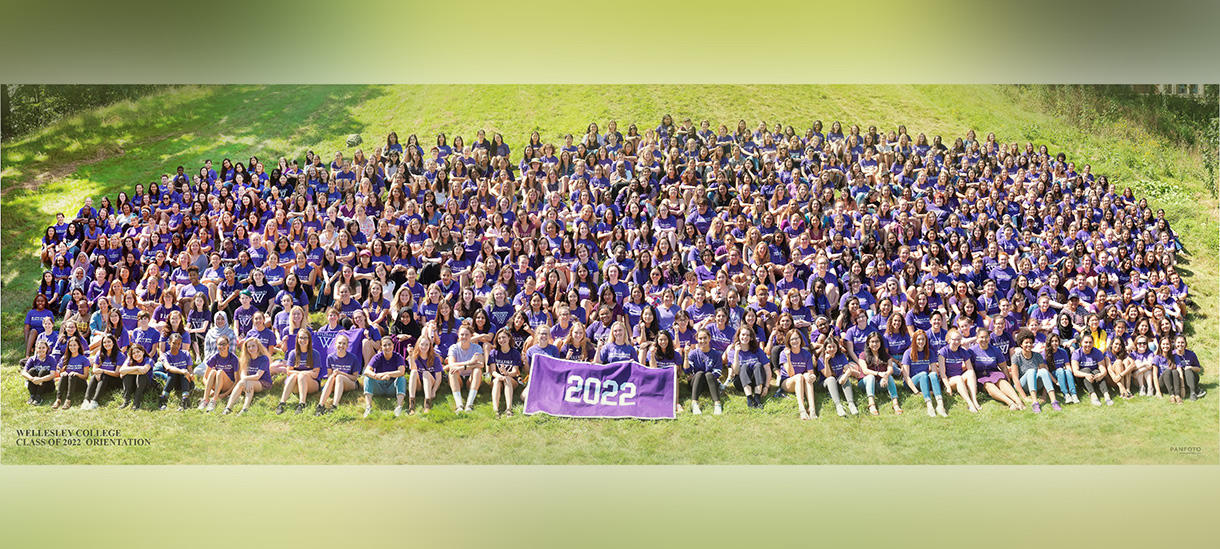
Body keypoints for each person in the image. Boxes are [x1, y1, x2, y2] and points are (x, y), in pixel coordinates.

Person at [276, 327, 324, 414]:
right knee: (294, 376)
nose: (303, 340)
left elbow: (315, 374)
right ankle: (282, 403)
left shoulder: (315, 353)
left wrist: (302, 375)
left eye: (305, 338)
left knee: (300, 376)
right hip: (296, 384)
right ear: (297, 339)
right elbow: (288, 372)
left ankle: (302, 403)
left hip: (312, 384)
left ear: (309, 340)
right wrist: (304, 373)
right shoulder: (293, 353)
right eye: (301, 337)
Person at [1011, 330, 1061, 412]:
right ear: (1021, 344)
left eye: (1031, 342)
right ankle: (1035, 403)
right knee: (1031, 371)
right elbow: (1015, 379)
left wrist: (1044, 396)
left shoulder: (1038, 355)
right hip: (1024, 385)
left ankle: (1054, 401)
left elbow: (1045, 375)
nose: (1029, 345)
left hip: (1035, 383)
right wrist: (1024, 397)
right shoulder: (1016, 357)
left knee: (1044, 371)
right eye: (1026, 343)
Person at [855, 331, 901, 415]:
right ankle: (871, 404)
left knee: (889, 376)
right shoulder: (862, 355)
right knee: (870, 377)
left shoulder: (885, 355)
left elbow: (890, 369)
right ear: (868, 343)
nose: (875, 344)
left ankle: (895, 403)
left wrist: (885, 376)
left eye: (877, 341)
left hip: (880, 384)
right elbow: (865, 371)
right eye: (872, 341)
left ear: (881, 343)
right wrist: (879, 373)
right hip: (865, 383)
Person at [902, 330, 947, 417]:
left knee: (933, 374)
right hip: (912, 383)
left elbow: (934, 372)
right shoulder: (908, 353)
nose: (921, 342)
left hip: (925, 380)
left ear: (926, 341)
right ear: (914, 340)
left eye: (923, 339)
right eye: (918, 339)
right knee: (923, 374)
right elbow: (906, 376)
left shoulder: (930, 352)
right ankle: (929, 405)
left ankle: (940, 405)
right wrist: (916, 392)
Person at [316, 333, 362, 415]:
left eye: (344, 343)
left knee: (339, 377)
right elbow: (330, 376)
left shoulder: (353, 358)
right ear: (335, 344)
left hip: (350, 383)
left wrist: (341, 373)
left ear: (347, 346)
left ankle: (334, 406)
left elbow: (355, 378)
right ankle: (320, 405)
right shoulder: (330, 357)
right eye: (339, 343)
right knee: (333, 377)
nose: (341, 345)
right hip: (336, 382)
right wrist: (334, 375)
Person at [224, 338, 272, 415]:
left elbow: (257, 376)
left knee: (247, 382)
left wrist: (245, 379)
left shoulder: (264, 359)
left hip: (264, 383)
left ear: (258, 347)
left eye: (253, 346)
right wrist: (245, 380)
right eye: (248, 347)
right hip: (249, 382)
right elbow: (242, 375)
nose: (251, 348)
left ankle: (245, 409)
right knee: (246, 382)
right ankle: (228, 408)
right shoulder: (246, 359)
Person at [363, 335, 407, 417]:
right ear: (381, 347)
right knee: (367, 378)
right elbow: (366, 371)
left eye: (389, 344)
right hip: (379, 386)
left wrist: (387, 374)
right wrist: (377, 376)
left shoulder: (398, 357)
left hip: (392, 387)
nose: (387, 347)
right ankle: (368, 407)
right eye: (384, 345)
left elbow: (401, 372)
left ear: (393, 345)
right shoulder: (377, 357)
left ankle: (399, 407)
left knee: (402, 378)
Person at [778, 330, 818, 419]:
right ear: (788, 341)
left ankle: (812, 409)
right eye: (792, 339)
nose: (795, 341)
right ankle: (802, 409)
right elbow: (791, 374)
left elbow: (810, 372)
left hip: (801, 382)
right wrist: (788, 357)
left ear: (801, 339)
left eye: (797, 338)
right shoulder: (784, 354)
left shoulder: (806, 353)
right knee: (799, 376)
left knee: (807, 376)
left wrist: (813, 376)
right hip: (787, 382)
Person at [938, 329, 980, 413]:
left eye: (958, 339)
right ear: (949, 340)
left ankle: (974, 400)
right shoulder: (943, 352)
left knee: (971, 372)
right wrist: (948, 387)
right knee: (958, 378)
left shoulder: (962, 351)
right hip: (949, 380)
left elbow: (970, 368)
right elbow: (942, 374)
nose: (956, 342)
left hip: (960, 378)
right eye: (954, 339)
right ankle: (970, 404)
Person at [684, 329, 723, 415]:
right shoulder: (693, 353)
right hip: (696, 383)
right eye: (700, 338)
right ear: (697, 339)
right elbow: (687, 370)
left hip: (710, 383)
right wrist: (686, 355)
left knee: (709, 375)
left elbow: (718, 372)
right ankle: (694, 404)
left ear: (709, 338)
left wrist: (709, 376)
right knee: (700, 373)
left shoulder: (716, 354)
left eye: (705, 338)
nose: (703, 341)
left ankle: (717, 404)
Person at [445, 325, 484, 413]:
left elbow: (481, 364)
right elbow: (451, 364)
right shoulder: (453, 347)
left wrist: (464, 367)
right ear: (458, 335)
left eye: (467, 335)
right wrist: (469, 362)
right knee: (452, 371)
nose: (464, 337)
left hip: (471, 378)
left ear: (471, 336)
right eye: (462, 334)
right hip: (458, 377)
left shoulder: (477, 348)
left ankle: (469, 405)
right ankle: (459, 405)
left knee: (478, 370)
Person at [406, 327, 445, 414]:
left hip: (431, 382)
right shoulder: (414, 356)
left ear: (430, 346)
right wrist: (411, 355)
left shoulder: (435, 358)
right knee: (413, 372)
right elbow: (413, 368)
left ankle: (427, 403)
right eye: (422, 344)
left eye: (426, 345)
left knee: (426, 373)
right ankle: (411, 405)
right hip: (419, 384)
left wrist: (434, 391)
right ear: (418, 345)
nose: (424, 347)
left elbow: (439, 377)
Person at [487, 328, 523, 417]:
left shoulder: (515, 353)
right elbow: (493, 371)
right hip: (497, 379)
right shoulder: (493, 353)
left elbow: (515, 371)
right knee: (496, 380)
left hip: (511, 380)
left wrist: (506, 373)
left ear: (509, 338)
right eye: (499, 338)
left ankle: (509, 409)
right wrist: (499, 376)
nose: (501, 340)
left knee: (507, 379)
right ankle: (496, 410)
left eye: (504, 337)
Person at [819, 336, 858, 417]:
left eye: (834, 346)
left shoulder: (841, 356)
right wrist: (826, 361)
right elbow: (828, 375)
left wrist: (845, 376)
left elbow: (847, 369)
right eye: (829, 347)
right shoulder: (821, 359)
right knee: (831, 379)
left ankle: (851, 403)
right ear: (825, 348)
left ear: (837, 347)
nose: (832, 349)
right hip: (826, 383)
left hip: (838, 381)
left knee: (845, 376)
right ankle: (838, 405)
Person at [1071, 333, 1113, 406]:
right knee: (1086, 370)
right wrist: (1086, 375)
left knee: (1097, 371)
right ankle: (1093, 395)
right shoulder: (1077, 353)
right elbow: (1075, 372)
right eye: (1086, 342)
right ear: (1081, 343)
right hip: (1081, 378)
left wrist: (1101, 374)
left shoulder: (1097, 352)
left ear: (1093, 343)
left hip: (1094, 376)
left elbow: (1103, 368)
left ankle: (1106, 395)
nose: (1088, 344)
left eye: (1090, 342)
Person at [199, 335, 238, 412]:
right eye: (219, 344)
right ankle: (205, 400)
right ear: (217, 346)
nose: (222, 346)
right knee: (213, 371)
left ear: (228, 345)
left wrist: (225, 394)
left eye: (224, 344)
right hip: (217, 384)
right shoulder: (214, 357)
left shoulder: (233, 358)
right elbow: (205, 377)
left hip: (228, 384)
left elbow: (237, 380)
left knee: (219, 372)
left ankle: (214, 401)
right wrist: (210, 390)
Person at [156, 333, 194, 411]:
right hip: (173, 382)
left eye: (179, 344)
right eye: (174, 343)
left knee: (184, 374)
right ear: (169, 342)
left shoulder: (186, 354)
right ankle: (164, 399)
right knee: (174, 372)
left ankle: (185, 400)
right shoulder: (165, 356)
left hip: (186, 381)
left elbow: (190, 369)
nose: (176, 346)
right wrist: (182, 371)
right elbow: (168, 368)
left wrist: (191, 375)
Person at [117, 342, 154, 410]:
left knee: (141, 375)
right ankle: (126, 401)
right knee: (128, 376)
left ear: (143, 352)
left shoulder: (149, 360)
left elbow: (144, 370)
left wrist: (127, 371)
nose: (136, 354)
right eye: (133, 353)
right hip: (133, 385)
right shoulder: (130, 360)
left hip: (145, 385)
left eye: (138, 352)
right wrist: (137, 368)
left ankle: (137, 402)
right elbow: (121, 370)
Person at [1168, 335, 1205, 401]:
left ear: (1185, 343)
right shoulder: (1172, 355)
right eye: (1178, 342)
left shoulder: (1191, 354)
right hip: (1178, 378)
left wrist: (1190, 367)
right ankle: (1194, 389)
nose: (1180, 344)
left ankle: (1193, 392)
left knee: (1188, 370)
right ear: (1175, 343)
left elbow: (1198, 369)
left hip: (1191, 376)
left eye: (1182, 342)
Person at [22, 339, 57, 405]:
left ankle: (38, 396)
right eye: (39, 348)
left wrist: (40, 379)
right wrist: (32, 379)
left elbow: (52, 375)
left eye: (43, 348)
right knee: (32, 371)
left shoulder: (51, 359)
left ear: (47, 348)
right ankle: (32, 396)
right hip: (35, 383)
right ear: (36, 349)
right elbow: (23, 372)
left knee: (43, 371)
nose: (41, 350)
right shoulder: (32, 359)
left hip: (48, 385)